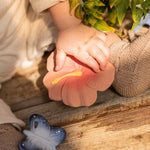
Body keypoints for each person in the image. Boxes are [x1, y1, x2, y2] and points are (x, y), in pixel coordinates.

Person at [0, 0, 109, 149]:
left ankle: (120, 56)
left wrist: (68, 25)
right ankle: (4, 133)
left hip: (30, 19)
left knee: (89, 41)